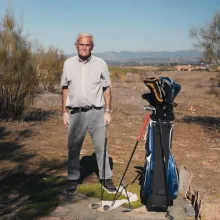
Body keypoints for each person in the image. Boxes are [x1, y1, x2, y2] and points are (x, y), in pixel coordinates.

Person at [61, 32, 116, 194]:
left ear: (92, 46)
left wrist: (107, 111)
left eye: (87, 45)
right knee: (73, 147)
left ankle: (106, 178)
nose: (84, 47)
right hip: (75, 113)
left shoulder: (101, 64)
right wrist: (64, 111)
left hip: (97, 112)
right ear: (76, 45)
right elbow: (65, 88)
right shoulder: (68, 64)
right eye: (81, 44)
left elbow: (106, 88)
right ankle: (72, 178)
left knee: (101, 146)